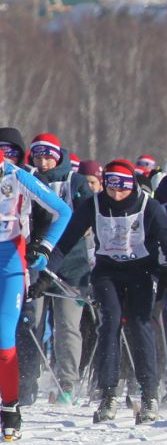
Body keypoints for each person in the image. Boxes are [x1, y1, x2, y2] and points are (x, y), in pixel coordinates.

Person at [54, 158, 167, 424]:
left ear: (132, 186)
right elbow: (67, 240)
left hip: (142, 271)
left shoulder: (148, 206)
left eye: (122, 189)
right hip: (107, 272)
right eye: (111, 189)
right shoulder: (95, 203)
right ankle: (108, 393)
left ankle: (149, 393)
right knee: (110, 323)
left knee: (140, 324)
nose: (115, 194)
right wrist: (46, 272)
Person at [0, 128, 71, 441]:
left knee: (4, 337)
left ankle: (11, 407)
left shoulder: (16, 175)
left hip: (10, 263)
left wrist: (44, 246)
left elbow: (64, 211)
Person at [19, 133, 86, 404]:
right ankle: (28, 379)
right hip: (35, 262)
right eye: (38, 156)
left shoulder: (75, 181)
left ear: (58, 156)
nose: (43, 162)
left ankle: (67, 382)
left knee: (67, 326)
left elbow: (85, 220)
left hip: (72, 263)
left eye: (48, 156)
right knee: (32, 323)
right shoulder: (27, 179)